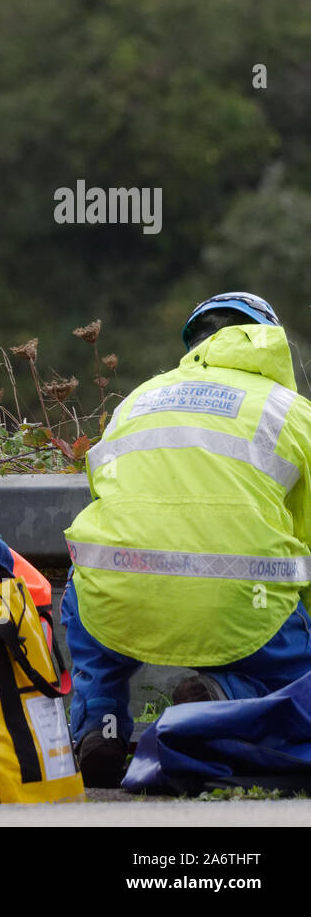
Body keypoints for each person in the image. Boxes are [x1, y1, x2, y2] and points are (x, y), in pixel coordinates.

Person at [62, 292, 311, 787]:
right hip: (242, 604)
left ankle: (101, 726)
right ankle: (224, 693)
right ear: (267, 341)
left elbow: (106, 505)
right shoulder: (291, 412)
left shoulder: (135, 401)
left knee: (88, 585)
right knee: (296, 687)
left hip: (116, 595)